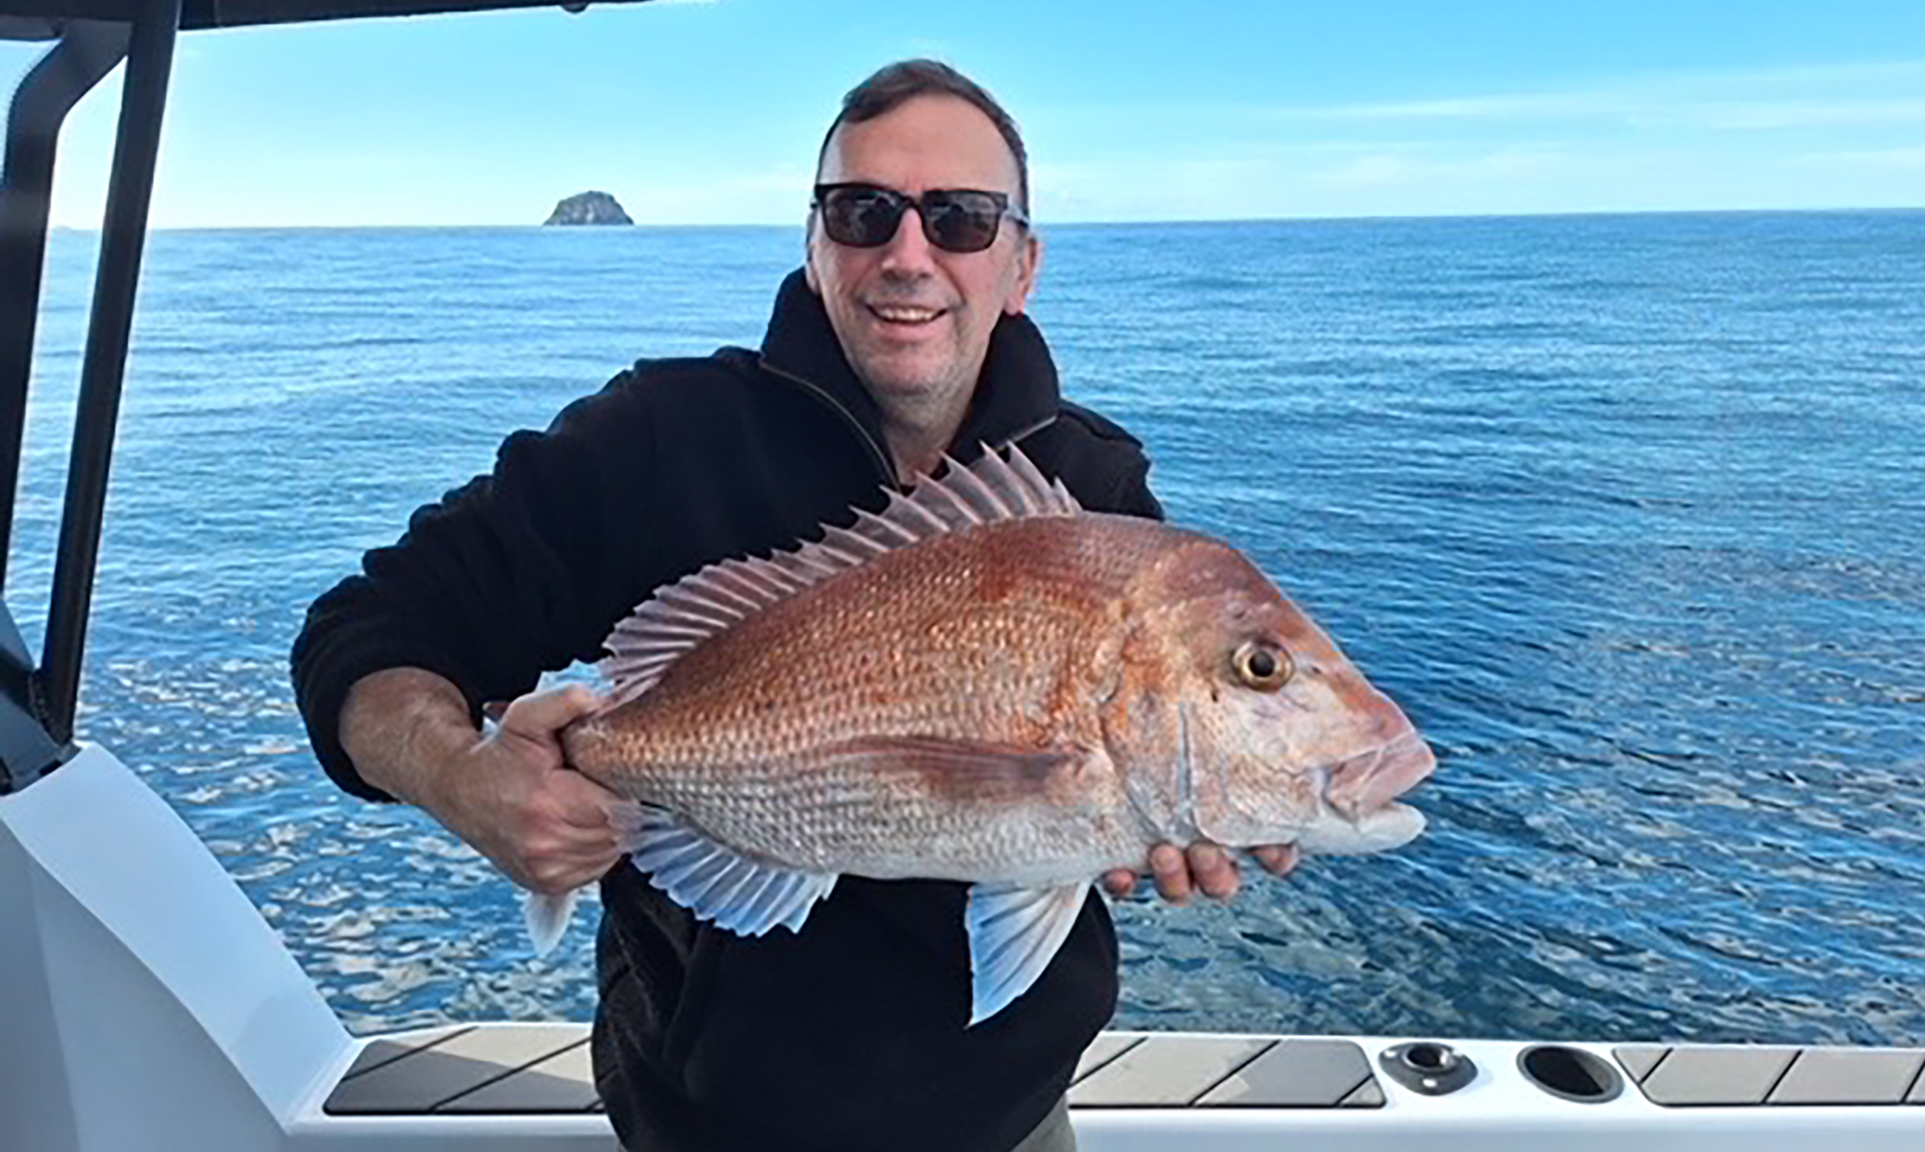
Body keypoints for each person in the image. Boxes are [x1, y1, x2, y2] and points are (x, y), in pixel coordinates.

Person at [290, 59, 1296, 1152]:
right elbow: (365, 630)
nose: (907, 255)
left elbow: (1088, 797)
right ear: (815, 246)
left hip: (1010, 1118)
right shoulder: (654, 442)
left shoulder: (1093, 493)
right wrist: (462, 779)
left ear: (1021, 265)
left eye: (960, 219)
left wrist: (1161, 825)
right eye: (862, 212)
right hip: (714, 1123)